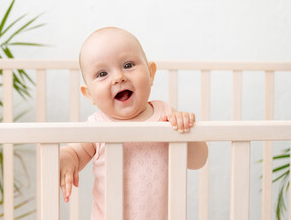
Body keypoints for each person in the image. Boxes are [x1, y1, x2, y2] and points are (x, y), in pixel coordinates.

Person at [60, 27, 208, 220]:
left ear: (151, 73)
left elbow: (199, 160)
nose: (119, 77)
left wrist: (185, 130)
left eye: (128, 65)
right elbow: (74, 153)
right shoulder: (96, 126)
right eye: (102, 73)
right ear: (89, 95)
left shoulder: (166, 116)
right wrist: (65, 157)